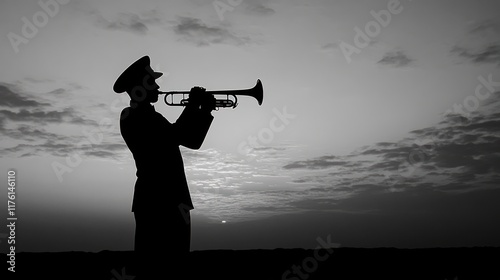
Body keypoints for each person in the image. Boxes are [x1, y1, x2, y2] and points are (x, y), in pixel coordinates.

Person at [113, 55, 215, 279]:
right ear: (141, 87)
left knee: (173, 266)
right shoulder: (134, 116)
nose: (158, 87)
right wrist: (193, 105)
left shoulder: (149, 115)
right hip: (159, 201)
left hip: (168, 199)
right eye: (153, 82)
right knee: (162, 268)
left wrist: (205, 111)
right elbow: (177, 135)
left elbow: (192, 141)